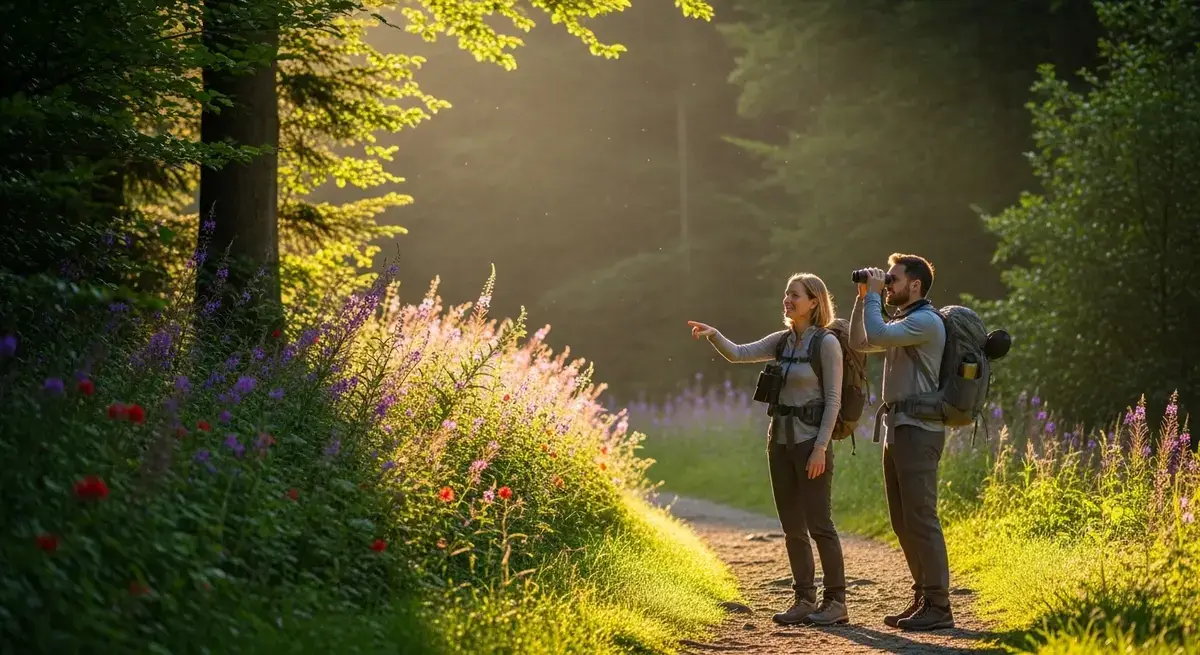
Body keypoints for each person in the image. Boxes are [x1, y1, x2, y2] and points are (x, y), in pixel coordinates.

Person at [687, 273, 848, 627]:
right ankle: (804, 599)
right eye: (786, 294)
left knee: (820, 524)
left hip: (810, 445)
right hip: (778, 443)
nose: (787, 300)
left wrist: (821, 448)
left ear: (814, 302)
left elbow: (834, 400)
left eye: (795, 295)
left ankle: (836, 602)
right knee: (792, 526)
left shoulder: (827, 344)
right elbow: (739, 354)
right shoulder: (782, 341)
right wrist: (714, 335)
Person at [849, 253, 954, 631]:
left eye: (892, 280)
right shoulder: (903, 321)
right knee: (902, 521)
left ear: (915, 285)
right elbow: (860, 341)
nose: (888, 284)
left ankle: (939, 606)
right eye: (886, 280)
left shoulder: (925, 321)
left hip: (919, 430)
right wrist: (865, 295)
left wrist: (875, 296)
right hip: (898, 429)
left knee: (922, 519)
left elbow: (875, 334)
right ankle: (923, 596)